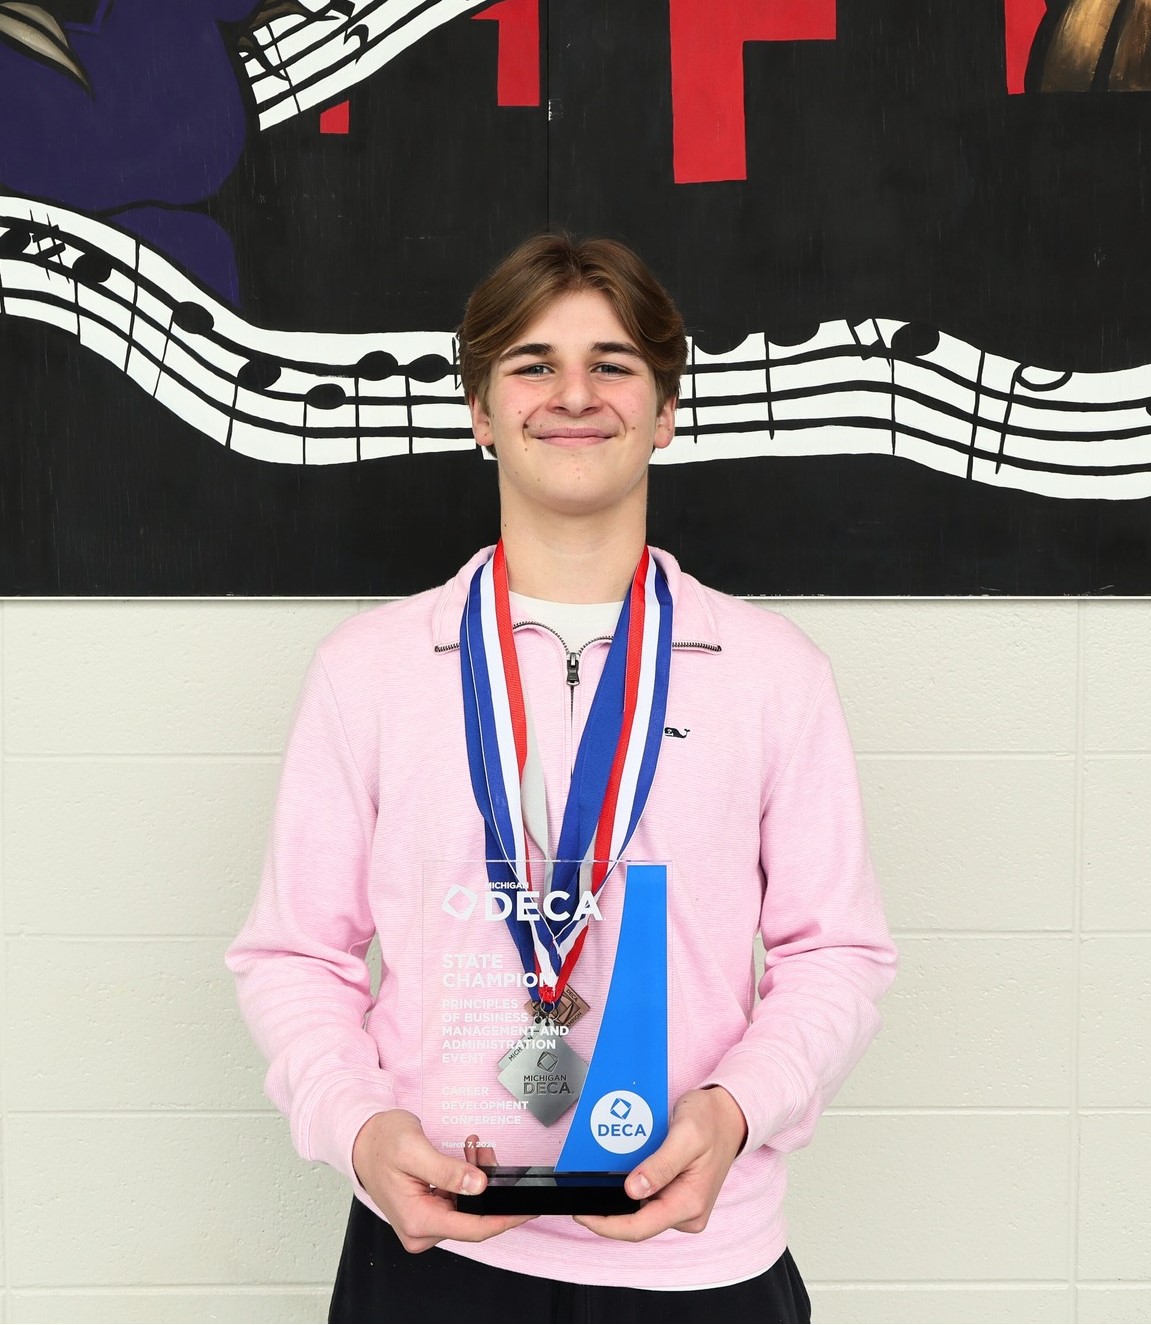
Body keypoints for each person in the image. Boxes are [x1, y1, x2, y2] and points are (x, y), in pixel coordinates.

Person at [227, 234, 897, 1323]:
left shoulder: (773, 671)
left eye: (612, 364)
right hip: (432, 1254)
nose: (573, 394)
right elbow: (294, 953)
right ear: (480, 411)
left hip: (697, 1263)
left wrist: (734, 1110)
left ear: (664, 409)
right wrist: (357, 1126)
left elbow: (837, 953)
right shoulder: (370, 669)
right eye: (533, 364)